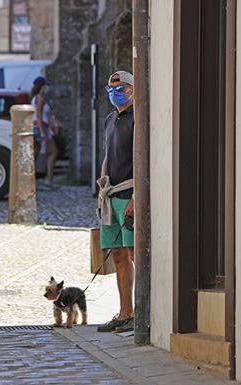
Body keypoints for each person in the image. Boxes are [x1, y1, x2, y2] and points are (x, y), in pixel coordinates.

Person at [96, 70, 135, 333]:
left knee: (135, 254)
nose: (115, 92)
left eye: (120, 87)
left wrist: (136, 198)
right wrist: (101, 191)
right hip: (110, 196)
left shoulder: (138, 119)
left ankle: (143, 311)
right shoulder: (111, 118)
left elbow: (142, 160)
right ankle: (125, 312)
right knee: (118, 256)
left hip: (130, 194)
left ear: (133, 90)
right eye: (111, 88)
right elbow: (107, 156)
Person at [30, 76, 59, 188]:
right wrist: (43, 132)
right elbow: (38, 115)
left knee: (34, 155)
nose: (46, 88)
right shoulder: (40, 99)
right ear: (42, 86)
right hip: (42, 129)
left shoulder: (34, 98)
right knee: (53, 152)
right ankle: (48, 180)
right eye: (45, 85)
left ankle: (30, 180)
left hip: (38, 128)